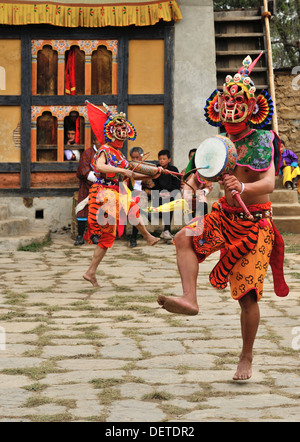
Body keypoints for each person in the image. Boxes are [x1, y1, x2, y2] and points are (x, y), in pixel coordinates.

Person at [157, 54, 289, 381]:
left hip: (255, 224)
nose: (230, 105)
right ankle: (190, 298)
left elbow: (271, 183)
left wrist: (243, 185)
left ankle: (246, 356)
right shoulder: (217, 144)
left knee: (246, 297)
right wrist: (187, 189)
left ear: (251, 105)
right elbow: (195, 177)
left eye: (237, 100)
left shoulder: (264, 140)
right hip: (223, 216)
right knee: (183, 237)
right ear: (218, 105)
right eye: (226, 100)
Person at [83, 102, 161, 288]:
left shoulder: (119, 155)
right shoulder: (105, 150)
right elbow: (100, 167)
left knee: (108, 237)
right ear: (111, 131)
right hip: (103, 192)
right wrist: (122, 170)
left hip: (114, 191)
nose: (123, 133)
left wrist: (153, 173)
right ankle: (147, 236)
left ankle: (90, 272)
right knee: (130, 207)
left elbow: (131, 173)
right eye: (119, 129)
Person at [73, 135, 101, 246]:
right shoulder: (87, 153)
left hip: (101, 187)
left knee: (98, 211)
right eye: (99, 140)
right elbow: (83, 170)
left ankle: (95, 235)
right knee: (83, 210)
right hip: (87, 186)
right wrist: (97, 179)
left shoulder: (106, 153)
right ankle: (80, 236)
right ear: (94, 141)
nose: (101, 142)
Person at [151, 149, 181, 241]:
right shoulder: (156, 170)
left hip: (170, 194)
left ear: (169, 160)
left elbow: (177, 183)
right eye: (160, 159)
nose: (162, 161)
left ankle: (166, 230)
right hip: (157, 194)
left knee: (170, 201)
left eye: (164, 159)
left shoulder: (173, 170)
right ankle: (166, 231)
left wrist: (170, 192)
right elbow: (153, 184)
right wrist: (160, 192)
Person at [128, 146, 154, 248]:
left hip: (140, 194)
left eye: (137, 157)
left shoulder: (145, 168)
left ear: (141, 158)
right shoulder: (127, 167)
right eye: (133, 158)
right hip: (128, 193)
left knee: (136, 211)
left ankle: (133, 238)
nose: (134, 160)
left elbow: (151, 185)